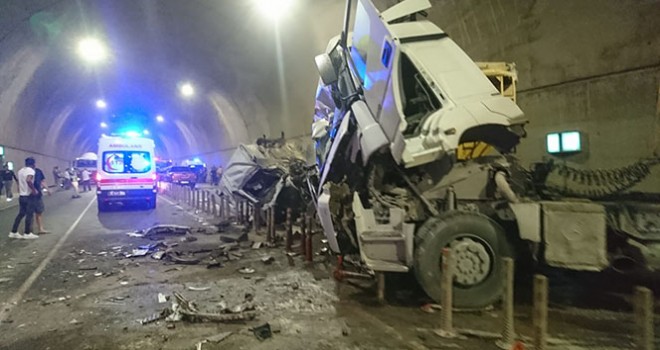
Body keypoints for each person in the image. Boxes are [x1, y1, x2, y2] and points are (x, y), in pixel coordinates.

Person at [9, 157, 39, 239]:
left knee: (21, 214)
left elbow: (19, 182)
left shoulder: (20, 171)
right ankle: (27, 233)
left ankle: (13, 231)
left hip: (22, 196)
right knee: (29, 214)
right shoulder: (31, 171)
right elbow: (28, 180)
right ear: (33, 164)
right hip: (28, 196)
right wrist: (34, 190)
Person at [33, 166, 51, 234]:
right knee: (38, 212)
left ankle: (39, 229)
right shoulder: (36, 171)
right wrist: (48, 190)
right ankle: (40, 229)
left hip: (34, 195)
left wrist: (47, 189)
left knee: (37, 212)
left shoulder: (38, 171)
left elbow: (42, 181)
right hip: (34, 194)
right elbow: (42, 181)